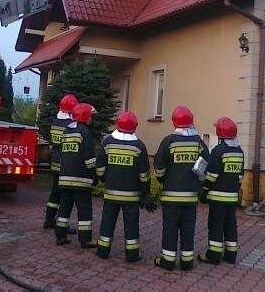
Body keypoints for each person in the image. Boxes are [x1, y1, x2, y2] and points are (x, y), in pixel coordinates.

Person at [95, 111, 156, 262]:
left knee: (107, 222)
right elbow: (144, 175)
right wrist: (145, 193)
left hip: (111, 194)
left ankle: (103, 251)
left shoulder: (108, 143)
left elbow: (100, 168)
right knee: (131, 225)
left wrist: (104, 179)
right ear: (135, 126)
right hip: (131, 196)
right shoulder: (139, 146)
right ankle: (132, 254)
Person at [154, 106, 210, 271]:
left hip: (171, 197)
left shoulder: (168, 141)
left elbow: (159, 168)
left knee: (170, 229)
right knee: (188, 229)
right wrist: (199, 183)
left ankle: (168, 261)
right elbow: (206, 164)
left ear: (174, 122)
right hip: (190, 197)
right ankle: (187, 262)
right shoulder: (198, 143)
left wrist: (162, 179)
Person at [198, 117, 244, 265]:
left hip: (217, 197)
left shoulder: (218, 151)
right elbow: (240, 176)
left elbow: (212, 175)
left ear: (219, 132)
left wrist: (204, 191)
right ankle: (231, 255)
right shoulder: (239, 151)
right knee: (230, 225)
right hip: (232, 197)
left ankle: (214, 255)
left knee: (216, 225)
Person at [55, 103, 98, 248]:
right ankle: (85, 240)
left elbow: (62, 155)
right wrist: (96, 174)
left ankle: (60, 237)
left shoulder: (67, 132)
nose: (91, 119)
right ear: (84, 116)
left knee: (64, 209)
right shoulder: (85, 133)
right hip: (81, 181)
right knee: (84, 210)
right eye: (90, 116)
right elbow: (89, 159)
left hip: (64, 179)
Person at [43, 94, 78, 230]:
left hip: (55, 161)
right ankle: (62, 225)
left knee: (55, 192)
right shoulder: (70, 125)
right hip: (65, 163)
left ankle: (49, 219)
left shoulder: (55, 122)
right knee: (65, 196)